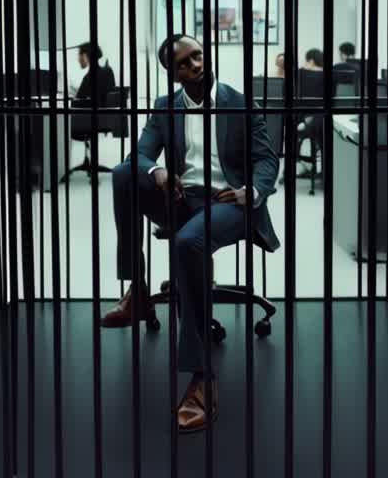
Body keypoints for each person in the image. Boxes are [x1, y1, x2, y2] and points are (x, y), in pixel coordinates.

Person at [104, 34, 279, 432]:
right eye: (184, 63)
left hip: (231, 202)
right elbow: (141, 155)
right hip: (184, 197)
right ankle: (138, 291)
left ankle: (202, 379)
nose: (196, 64)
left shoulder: (239, 102)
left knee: (188, 242)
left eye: (198, 55)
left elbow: (267, 160)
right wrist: (158, 170)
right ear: (173, 73)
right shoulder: (166, 107)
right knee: (123, 175)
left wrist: (251, 192)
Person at [74, 41, 116, 107]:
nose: (78, 59)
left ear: (85, 56)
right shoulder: (108, 71)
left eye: (79, 55)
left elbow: (76, 103)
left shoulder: (88, 78)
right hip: (109, 114)